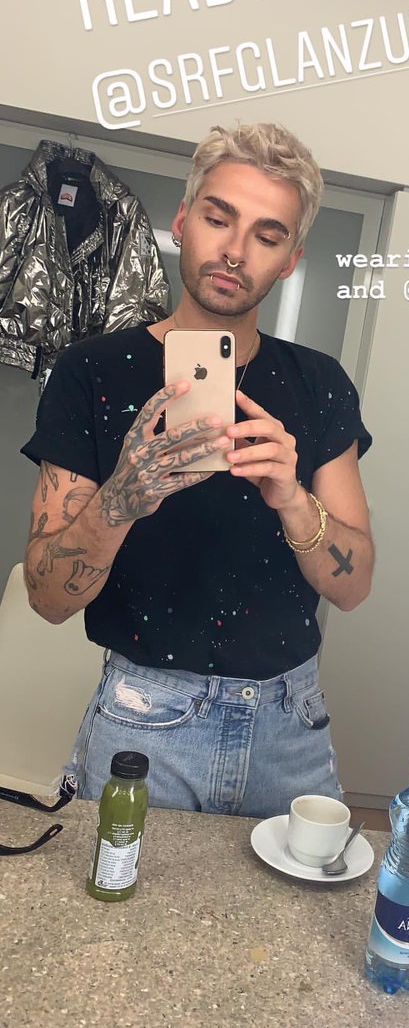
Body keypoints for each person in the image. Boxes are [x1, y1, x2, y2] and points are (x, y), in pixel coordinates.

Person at [21, 123, 374, 817]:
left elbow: (354, 587)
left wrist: (291, 498)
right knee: (119, 889)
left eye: (267, 236)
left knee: (302, 895)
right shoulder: (91, 371)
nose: (236, 251)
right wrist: (122, 497)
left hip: (290, 723)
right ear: (183, 222)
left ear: (290, 261)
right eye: (218, 219)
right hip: (142, 719)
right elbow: (47, 599)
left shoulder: (319, 384)